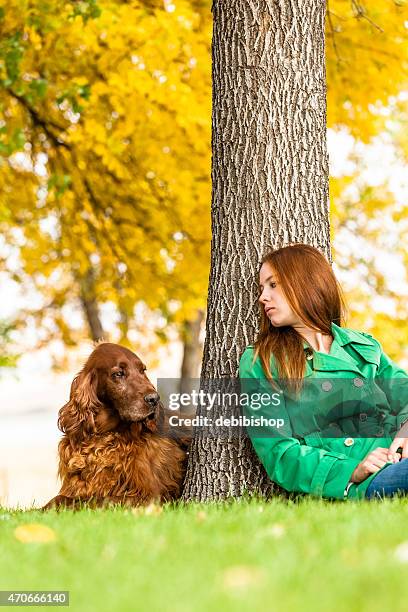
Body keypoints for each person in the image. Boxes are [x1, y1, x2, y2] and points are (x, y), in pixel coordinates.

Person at [238, 244, 408, 501]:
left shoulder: (363, 346)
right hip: (364, 475)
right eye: (262, 288)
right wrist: (351, 470)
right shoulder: (260, 361)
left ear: (304, 283)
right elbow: (279, 453)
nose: (262, 297)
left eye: (273, 285)